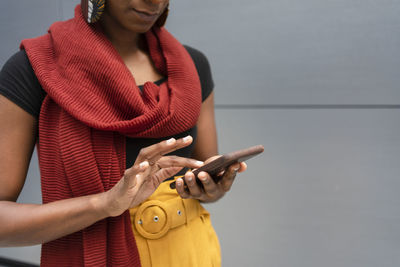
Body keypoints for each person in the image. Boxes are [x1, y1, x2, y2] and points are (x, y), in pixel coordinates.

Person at [0, 0, 246, 266]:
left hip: (190, 252)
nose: (155, 2)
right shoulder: (35, 69)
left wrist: (212, 188)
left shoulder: (191, 66)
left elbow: (206, 181)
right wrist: (105, 204)